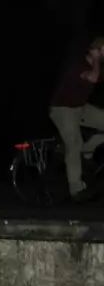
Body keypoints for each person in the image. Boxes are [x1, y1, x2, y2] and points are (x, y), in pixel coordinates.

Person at [49, 35, 104, 201]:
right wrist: (95, 58)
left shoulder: (98, 67)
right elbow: (93, 78)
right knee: (74, 144)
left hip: (80, 108)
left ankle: (86, 152)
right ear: (96, 50)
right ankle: (76, 188)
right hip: (62, 109)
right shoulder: (78, 64)